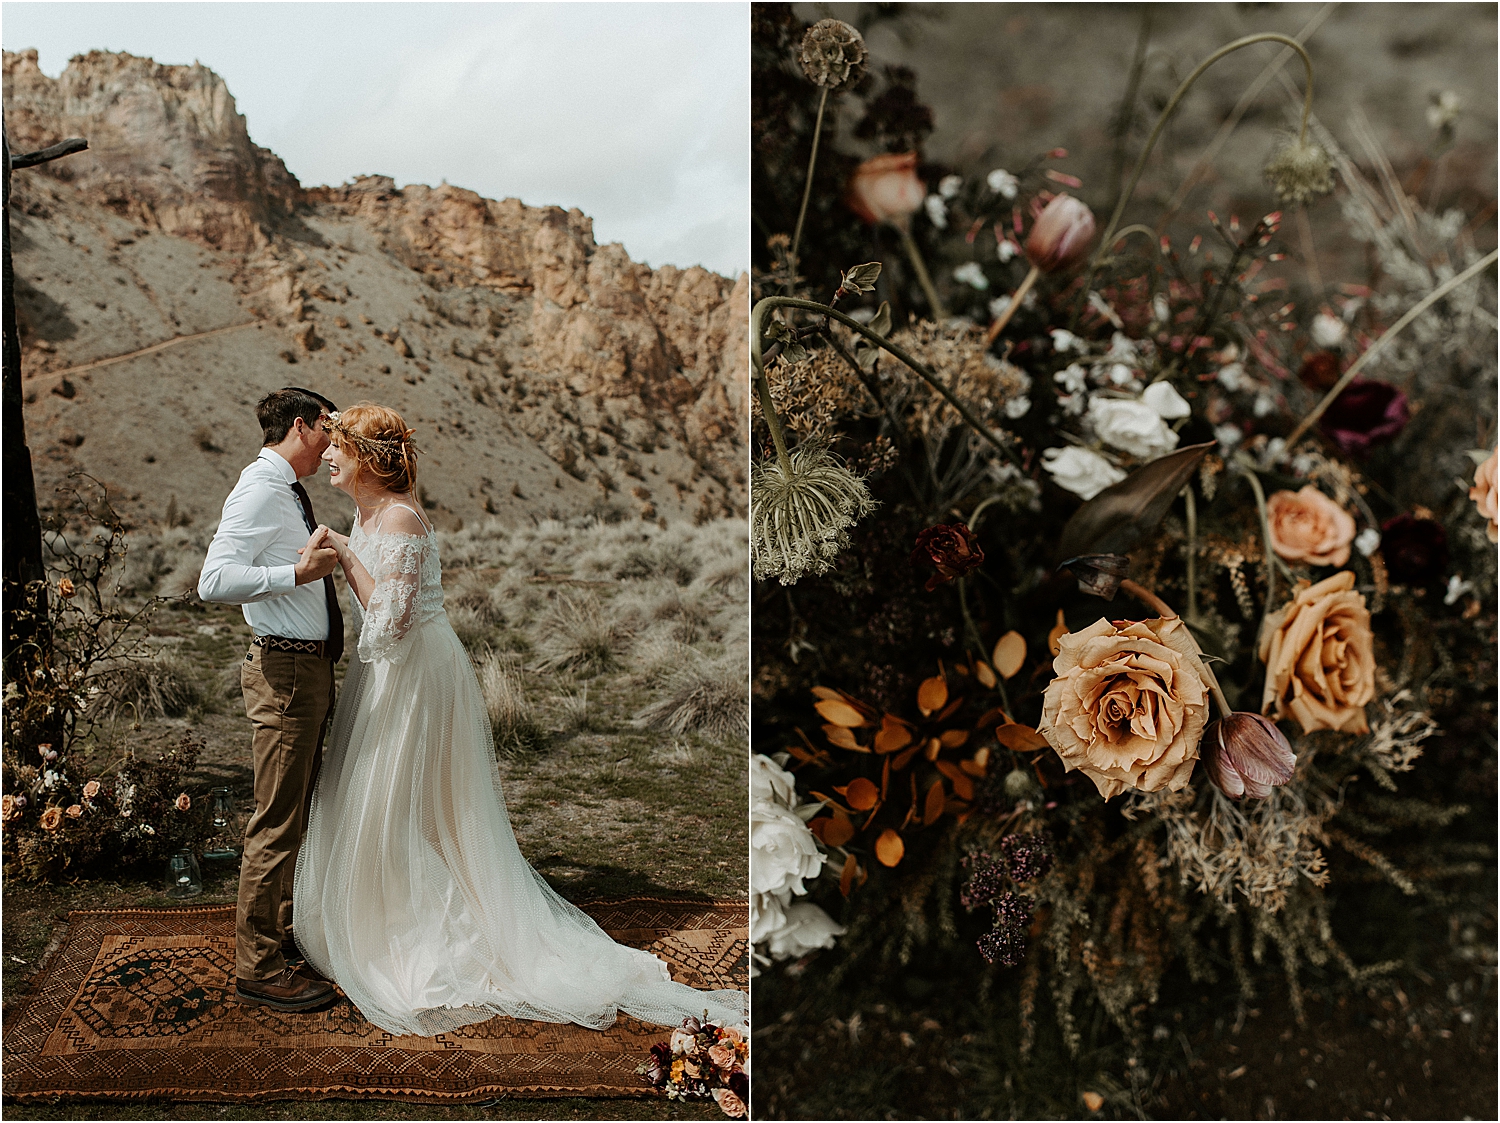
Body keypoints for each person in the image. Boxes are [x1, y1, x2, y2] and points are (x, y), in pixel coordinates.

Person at [292, 402, 746, 1036]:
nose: (329, 455)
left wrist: (343, 555)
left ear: (367, 458)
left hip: (416, 672)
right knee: (386, 799)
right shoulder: (369, 513)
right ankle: (378, 912)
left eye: (338, 445)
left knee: (405, 800)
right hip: (391, 670)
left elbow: (390, 624)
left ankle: (421, 937)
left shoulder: (396, 518)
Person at [198, 387, 344, 1012]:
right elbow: (214, 580)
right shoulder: (261, 489)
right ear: (301, 425)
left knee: (293, 811)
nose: (333, 444)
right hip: (283, 672)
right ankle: (257, 966)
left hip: (302, 669)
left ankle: (277, 938)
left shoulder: (284, 489)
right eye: (327, 430)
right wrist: (297, 575)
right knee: (276, 819)